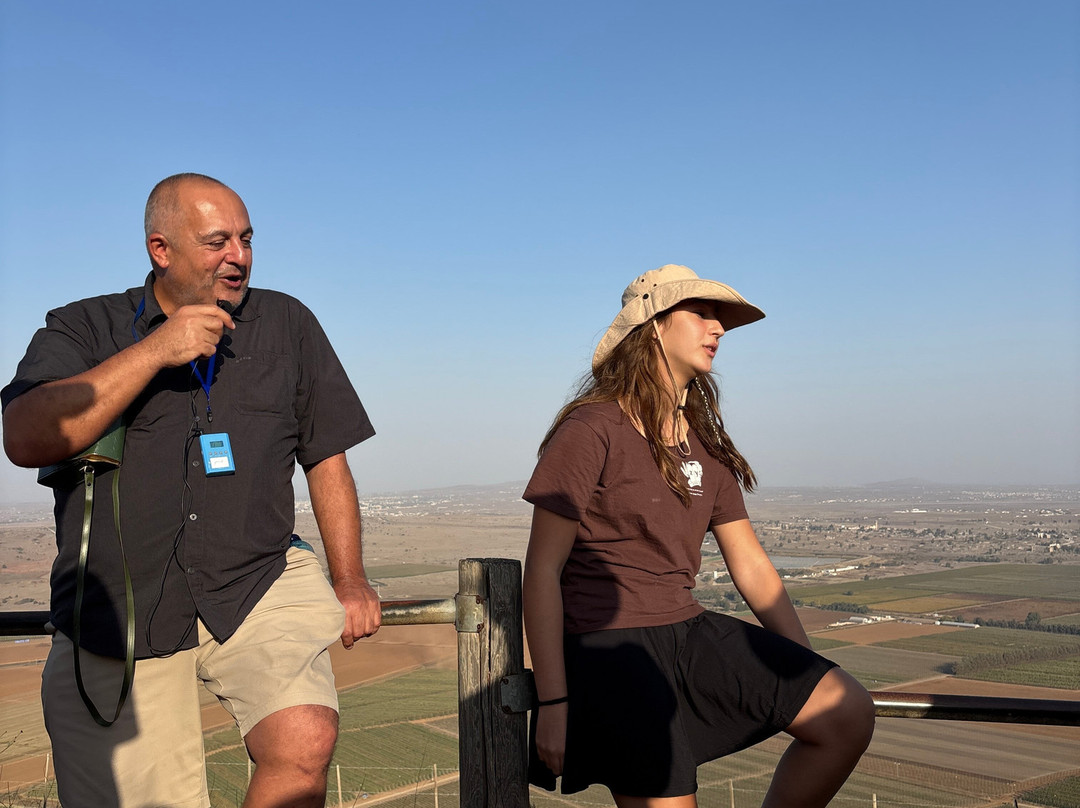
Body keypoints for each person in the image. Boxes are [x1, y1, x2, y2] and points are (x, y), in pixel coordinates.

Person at [1, 173, 382, 808]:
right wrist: (154, 352)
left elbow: (327, 459)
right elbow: (24, 435)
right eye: (217, 241)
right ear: (161, 250)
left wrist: (350, 577)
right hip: (125, 605)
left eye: (247, 239)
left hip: (255, 579)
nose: (239, 256)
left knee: (306, 739)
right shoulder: (84, 327)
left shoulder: (286, 323)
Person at [522, 264, 875, 808]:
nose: (719, 330)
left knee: (845, 712)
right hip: (611, 649)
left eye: (721, 319)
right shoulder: (591, 430)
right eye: (702, 313)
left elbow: (751, 564)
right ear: (654, 327)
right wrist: (554, 701)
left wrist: (801, 670)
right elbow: (542, 571)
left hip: (688, 630)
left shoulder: (705, 442)